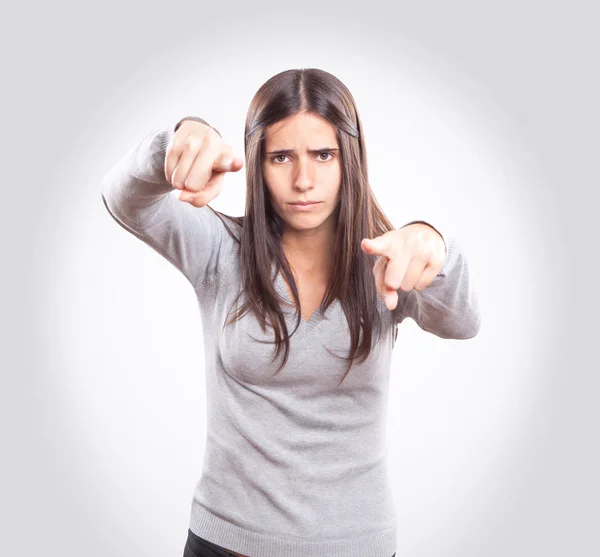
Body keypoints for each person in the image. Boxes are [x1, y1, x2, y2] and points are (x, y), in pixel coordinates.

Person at [101, 68, 481, 557]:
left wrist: (435, 244)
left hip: (357, 545)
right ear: (258, 164)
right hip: (226, 542)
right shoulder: (220, 250)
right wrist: (178, 139)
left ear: (351, 159)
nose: (304, 181)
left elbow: (463, 322)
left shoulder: (388, 260)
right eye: (282, 157)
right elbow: (123, 198)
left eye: (324, 155)